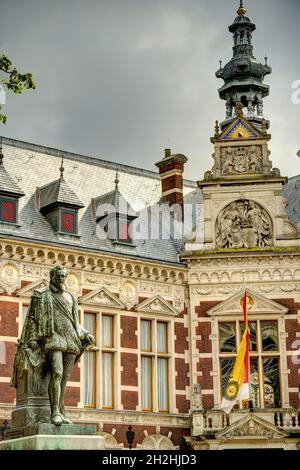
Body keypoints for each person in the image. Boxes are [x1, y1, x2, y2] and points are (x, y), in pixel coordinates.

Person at [12, 265, 95, 426]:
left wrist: (86, 334)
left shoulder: (71, 297)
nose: (61, 279)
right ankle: (54, 412)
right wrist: (33, 338)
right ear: (52, 277)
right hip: (53, 337)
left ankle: (61, 411)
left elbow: (74, 322)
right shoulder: (42, 295)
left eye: (64, 276)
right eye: (58, 276)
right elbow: (32, 319)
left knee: (64, 377)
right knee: (57, 372)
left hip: (71, 339)